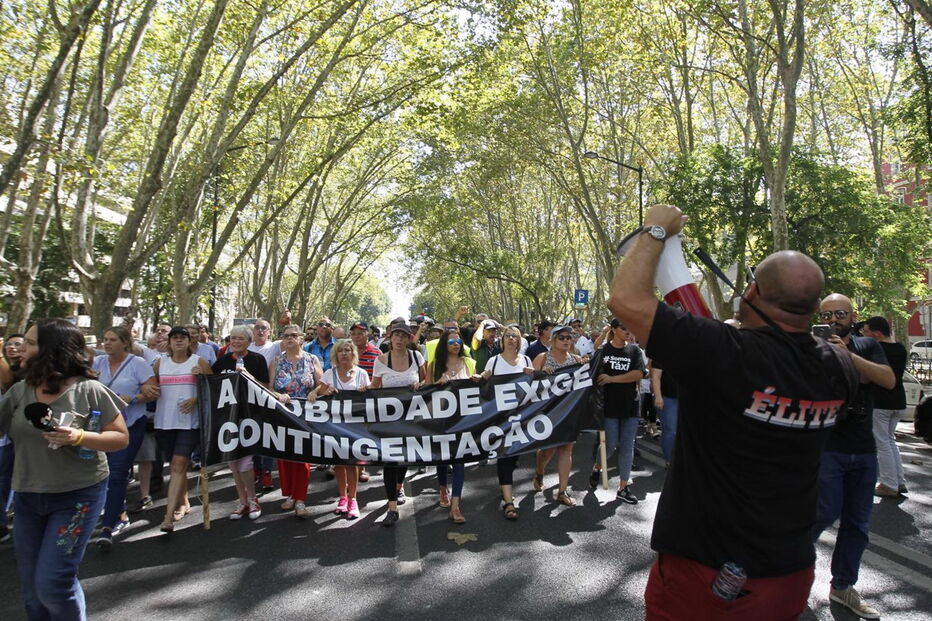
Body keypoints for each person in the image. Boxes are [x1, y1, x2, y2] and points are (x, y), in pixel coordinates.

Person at [609, 203, 858, 620]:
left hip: (703, 570)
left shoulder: (726, 353)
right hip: (788, 570)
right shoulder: (840, 367)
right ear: (815, 309)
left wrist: (655, 230)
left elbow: (626, 299)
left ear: (753, 293)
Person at [0, 319, 128, 620]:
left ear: (51, 350)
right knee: (33, 591)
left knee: (53, 584)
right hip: (29, 498)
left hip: (77, 498)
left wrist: (80, 436)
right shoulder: (20, 391)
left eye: (30, 343)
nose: (21, 348)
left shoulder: (90, 390)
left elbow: (120, 438)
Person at [812, 294, 894, 620]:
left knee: (857, 525)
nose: (833, 320)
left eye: (840, 313)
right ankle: (786, 566)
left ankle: (843, 586)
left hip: (863, 449)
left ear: (853, 315)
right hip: (826, 447)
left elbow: (887, 379)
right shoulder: (813, 348)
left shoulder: (867, 346)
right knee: (823, 512)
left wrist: (848, 356)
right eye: (827, 315)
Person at [89, 327, 159, 550]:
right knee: (104, 473)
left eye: (112, 340)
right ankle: (118, 512)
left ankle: (108, 527)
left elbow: (153, 390)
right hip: (100, 427)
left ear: (125, 343)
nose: (107, 344)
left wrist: (135, 397)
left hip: (130, 425)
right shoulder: (97, 364)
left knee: (118, 473)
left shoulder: (137, 364)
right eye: (105, 339)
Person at [153, 326, 212, 532]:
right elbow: (149, 386)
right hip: (164, 422)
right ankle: (184, 502)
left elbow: (213, 390)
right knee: (177, 466)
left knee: (178, 464)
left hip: (189, 423)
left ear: (189, 342)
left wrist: (196, 396)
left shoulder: (199, 362)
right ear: (169, 342)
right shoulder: (160, 363)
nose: (178, 341)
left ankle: (168, 517)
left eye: (182, 338)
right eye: (175, 338)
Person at [210, 325, 269, 521]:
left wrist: (248, 377)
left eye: (240, 339)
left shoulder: (257, 360)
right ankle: (242, 501)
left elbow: (266, 388)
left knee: (246, 462)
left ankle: (253, 499)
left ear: (249, 341)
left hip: (249, 416)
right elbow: (212, 388)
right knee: (233, 463)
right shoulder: (222, 362)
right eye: (233, 338)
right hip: (228, 419)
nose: (235, 342)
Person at [370, 322, 426, 527]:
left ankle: (399, 486)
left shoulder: (417, 357)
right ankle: (392, 507)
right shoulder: (381, 360)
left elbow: (426, 381)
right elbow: (374, 387)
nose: (400, 340)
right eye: (397, 336)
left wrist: (421, 384)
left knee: (404, 459)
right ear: (390, 338)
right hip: (389, 420)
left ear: (409, 339)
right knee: (389, 461)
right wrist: (360, 391)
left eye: (404, 336)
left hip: (412, 419)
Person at [586, 319, 646, 504]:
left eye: (630, 328)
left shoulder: (634, 350)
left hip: (630, 406)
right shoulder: (603, 351)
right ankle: (597, 467)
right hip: (608, 407)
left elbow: (638, 374)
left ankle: (623, 487)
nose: (628, 331)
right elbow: (592, 375)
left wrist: (612, 379)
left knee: (627, 447)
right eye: (623, 328)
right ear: (613, 330)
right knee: (609, 446)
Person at [480, 324, 533, 520]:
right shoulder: (493, 362)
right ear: (502, 340)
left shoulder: (526, 360)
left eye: (515, 336)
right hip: (500, 420)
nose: (511, 338)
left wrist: (534, 373)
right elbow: (484, 386)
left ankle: (506, 488)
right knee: (505, 456)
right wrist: (482, 377)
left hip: (523, 418)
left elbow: (538, 385)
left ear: (519, 341)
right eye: (508, 336)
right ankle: (509, 502)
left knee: (514, 457)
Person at [269, 324, 320, 518]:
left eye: (293, 335)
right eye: (285, 335)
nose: (289, 338)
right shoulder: (276, 361)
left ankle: (300, 499)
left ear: (301, 338)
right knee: (284, 457)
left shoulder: (312, 359)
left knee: (302, 459)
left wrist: (314, 392)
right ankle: (289, 494)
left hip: (305, 416)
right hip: (282, 415)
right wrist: (277, 395)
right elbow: (269, 387)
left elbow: (321, 385)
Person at [426, 328, 477, 523]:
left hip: (464, 422)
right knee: (443, 458)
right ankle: (442, 489)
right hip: (441, 421)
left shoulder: (469, 363)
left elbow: (479, 389)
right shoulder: (434, 365)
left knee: (459, 462)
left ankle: (455, 507)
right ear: (443, 345)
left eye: (458, 342)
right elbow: (424, 394)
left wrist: (479, 379)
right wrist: (437, 384)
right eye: (451, 342)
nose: (456, 345)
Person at [317, 339, 370, 520]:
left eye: (348, 350)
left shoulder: (362, 374)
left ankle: (353, 499)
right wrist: (321, 392)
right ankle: (342, 497)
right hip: (334, 426)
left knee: (352, 463)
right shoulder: (328, 374)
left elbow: (370, 397)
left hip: (355, 427)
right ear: (336, 354)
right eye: (341, 351)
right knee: (338, 463)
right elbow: (318, 394)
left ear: (353, 353)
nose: (344, 353)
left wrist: (366, 391)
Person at [531, 324, 583, 506]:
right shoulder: (542, 358)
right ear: (552, 340)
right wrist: (540, 373)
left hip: (569, 412)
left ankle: (562, 491)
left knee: (567, 448)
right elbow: (529, 382)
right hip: (548, 413)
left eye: (569, 337)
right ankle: (539, 471)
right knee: (548, 450)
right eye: (562, 337)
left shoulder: (576, 360)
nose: (567, 340)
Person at [861, 316, 909, 496]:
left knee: (882, 442)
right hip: (898, 399)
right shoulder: (900, 348)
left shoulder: (877, 349)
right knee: (890, 440)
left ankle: (889, 484)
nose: (865, 335)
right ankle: (899, 481)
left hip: (881, 401)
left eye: (867, 332)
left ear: (877, 333)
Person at [247, 318, 281, 491]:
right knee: (251, 433)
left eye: (264, 328)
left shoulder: (275, 346)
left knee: (267, 435)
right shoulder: (246, 347)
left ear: (270, 332)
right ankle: (255, 469)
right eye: (257, 328)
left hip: (268, 397)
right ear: (253, 331)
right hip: (247, 399)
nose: (260, 331)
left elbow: (294, 337)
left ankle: (267, 471)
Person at [349, 321, 380, 482]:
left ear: (367, 334)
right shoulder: (345, 351)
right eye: (353, 333)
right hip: (347, 402)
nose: (356, 336)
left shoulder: (376, 353)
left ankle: (361, 468)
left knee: (363, 435)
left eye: (360, 333)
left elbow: (380, 378)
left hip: (368, 401)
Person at [650, 359, 678, 465]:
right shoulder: (662, 353)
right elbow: (655, 376)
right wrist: (658, 396)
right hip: (667, 398)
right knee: (671, 431)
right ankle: (670, 462)